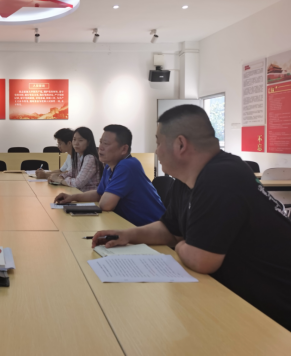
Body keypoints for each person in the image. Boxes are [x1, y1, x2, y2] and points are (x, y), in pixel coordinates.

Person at [93, 105, 291, 331]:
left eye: (158, 142)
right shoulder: (185, 180)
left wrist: (181, 245)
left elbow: (201, 260)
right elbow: (170, 229)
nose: (156, 151)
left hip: (273, 313)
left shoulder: (222, 176)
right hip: (233, 298)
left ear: (180, 144)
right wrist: (128, 235)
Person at [55, 125, 165, 226]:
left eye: (106, 144)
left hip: (154, 229)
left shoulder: (127, 166)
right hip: (131, 225)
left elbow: (105, 205)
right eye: (100, 142)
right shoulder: (109, 166)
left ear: (124, 149)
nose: (100, 147)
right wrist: (72, 198)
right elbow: (99, 194)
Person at [49, 127, 102, 192]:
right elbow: (70, 173)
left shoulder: (90, 158)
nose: (76, 143)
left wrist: (60, 180)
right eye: (74, 139)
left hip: (88, 195)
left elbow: (78, 183)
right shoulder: (78, 155)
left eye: (80, 140)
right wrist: (60, 176)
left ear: (88, 142)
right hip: (79, 193)